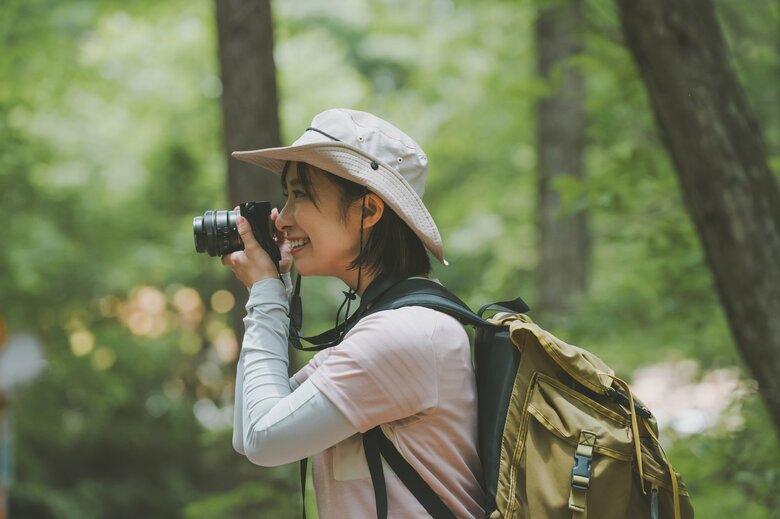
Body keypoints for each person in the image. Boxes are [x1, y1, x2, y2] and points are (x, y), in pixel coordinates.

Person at [222, 108, 485, 518]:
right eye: (287, 195)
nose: (284, 217)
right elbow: (251, 426)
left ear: (368, 211)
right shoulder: (385, 326)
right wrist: (273, 289)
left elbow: (262, 439)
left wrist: (266, 292)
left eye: (301, 194)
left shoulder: (405, 333)